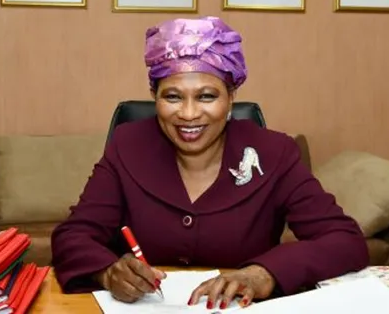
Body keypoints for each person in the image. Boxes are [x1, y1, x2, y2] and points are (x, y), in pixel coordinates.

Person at [50, 16, 368, 309]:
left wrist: (263, 273)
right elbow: (73, 236)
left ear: (231, 97)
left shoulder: (274, 152)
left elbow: (345, 241)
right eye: (173, 97)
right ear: (154, 96)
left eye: (206, 96)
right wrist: (107, 272)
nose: (189, 114)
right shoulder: (127, 145)